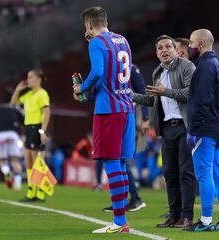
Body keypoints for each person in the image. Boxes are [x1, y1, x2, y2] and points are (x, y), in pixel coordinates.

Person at [73, 6, 135, 234]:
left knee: (110, 163)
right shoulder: (123, 41)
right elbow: (113, 76)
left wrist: (82, 88)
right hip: (127, 108)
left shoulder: (96, 43)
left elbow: (98, 72)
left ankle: (119, 221)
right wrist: (90, 91)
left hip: (109, 111)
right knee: (120, 163)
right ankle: (123, 220)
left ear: (89, 25)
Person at [133, 34, 196, 229]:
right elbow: (154, 101)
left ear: (176, 50)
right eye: (160, 48)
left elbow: (190, 93)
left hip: (185, 127)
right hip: (167, 128)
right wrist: (132, 96)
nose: (164, 50)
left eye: (168, 46)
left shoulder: (187, 66)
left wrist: (165, 92)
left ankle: (187, 217)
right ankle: (174, 215)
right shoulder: (157, 73)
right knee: (169, 174)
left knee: (186, 173)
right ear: (157, 53)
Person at [186, 29, 219, 231]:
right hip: (218, 126)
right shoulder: (218, 66)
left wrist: (194, 129)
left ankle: (205, 220)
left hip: (205, 128)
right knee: (218, 174)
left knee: (204, 174)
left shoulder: (205, 66)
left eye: (191, 42)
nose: (189, 46)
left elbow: (202, 101)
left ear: (201, 44)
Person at [101, 64, 148, 212]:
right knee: (119, 159)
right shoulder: (111, 68)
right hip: (116, 116)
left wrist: (145, 118)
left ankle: (134, 199)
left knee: (121, 160)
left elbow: (142, 91)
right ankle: (122, 200)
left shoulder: (131, 68)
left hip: (127, 117)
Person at [11, 69, 51, 202]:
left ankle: (40, 193)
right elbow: (13, 104)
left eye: (31, 77)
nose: (28, 80)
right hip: (28, 129)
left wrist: (43, 131)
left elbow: (46, 112)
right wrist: (17, 90)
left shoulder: (42, 93)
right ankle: (30, 192)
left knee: (37, 161)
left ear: (38, 79)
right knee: (28, 162)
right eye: (27, 77)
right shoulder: (28, 95)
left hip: (37, 128)